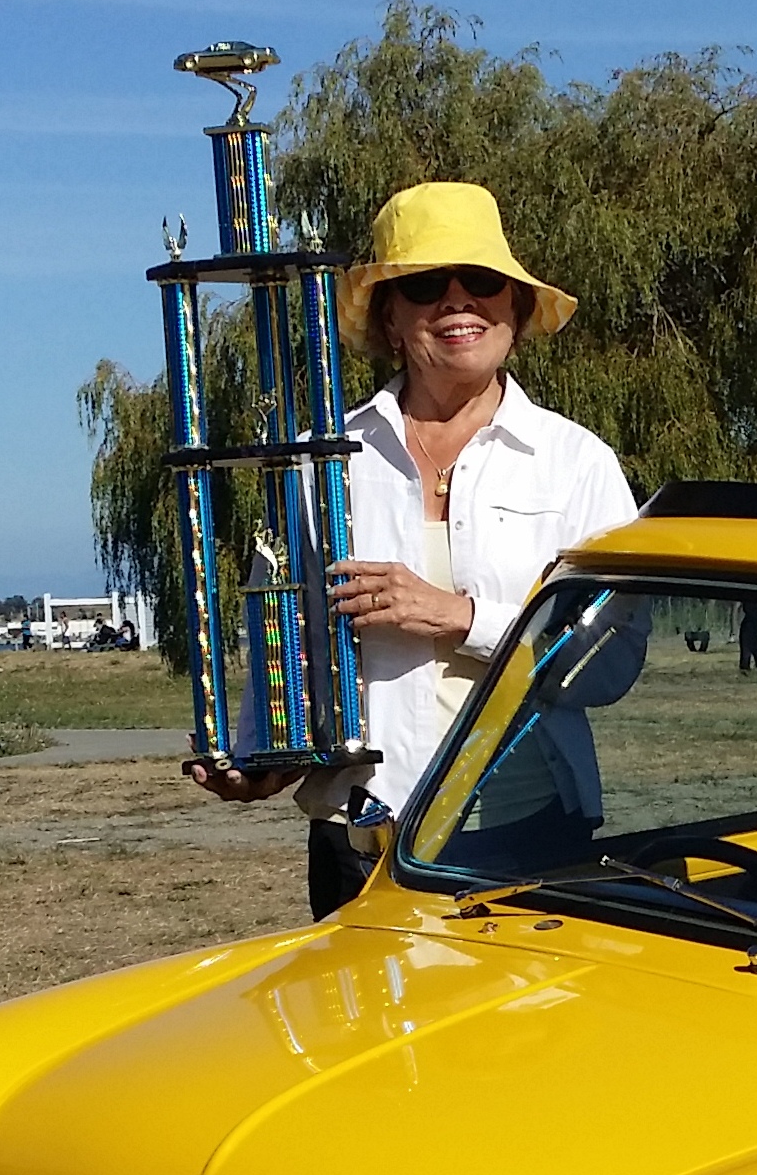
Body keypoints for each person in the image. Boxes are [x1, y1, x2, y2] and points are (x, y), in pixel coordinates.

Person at [188, 181, 642, 918]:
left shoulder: (578, 463)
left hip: (525, 831)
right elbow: (283, 637)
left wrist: (461, 617)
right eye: (426, 284)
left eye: (483, 282)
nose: (457, 302)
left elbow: (612, 661)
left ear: (516, 308)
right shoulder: (321, 462)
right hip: (361, 837)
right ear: (391, 319)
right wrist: (264, 757)